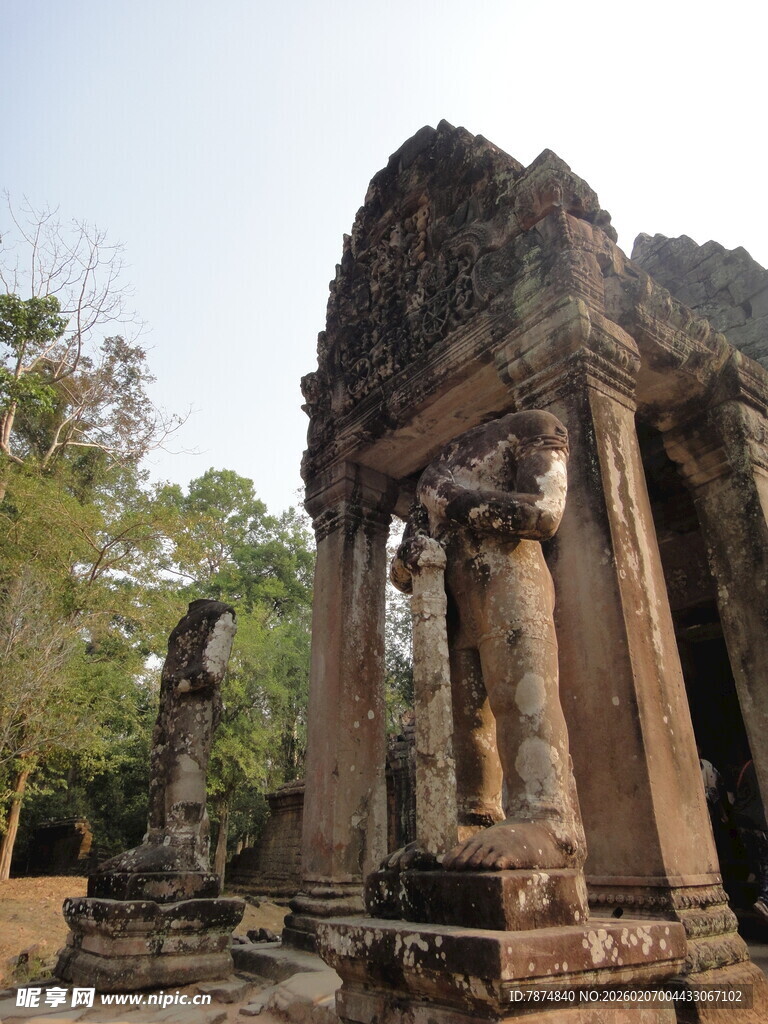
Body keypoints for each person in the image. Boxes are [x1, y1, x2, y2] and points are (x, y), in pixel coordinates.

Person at [390, 409, 584, 872]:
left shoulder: (533, 426)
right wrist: (412, 559)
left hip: (510, 583)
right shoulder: (435, 469)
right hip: (453, 604)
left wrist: (452, 499)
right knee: (467, 723)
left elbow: (543, 513)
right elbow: (400, 568)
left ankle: (548, 819)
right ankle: (475, 816)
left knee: (523, 698)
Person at [732, 756, 768, 922]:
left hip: (743, 820)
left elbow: (738, 789)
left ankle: (758, 889)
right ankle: (765, 899)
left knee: (759, 863)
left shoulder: (747, 766)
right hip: (760, 821)